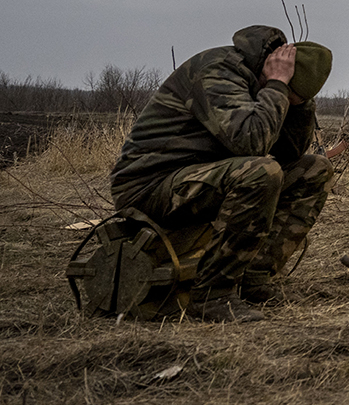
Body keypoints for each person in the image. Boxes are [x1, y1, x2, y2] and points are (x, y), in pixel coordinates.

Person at [108, 27, 335, 322]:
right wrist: (278, 86)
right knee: (259, 173)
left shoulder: (263, 82)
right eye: (287, 94)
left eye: (292, 98)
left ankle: (253, 278)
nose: (285, 99)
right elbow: (250, 142)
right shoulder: (219, 71)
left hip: (196, 178)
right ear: (271, 67)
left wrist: (299, 105)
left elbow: (290, 153)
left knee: (314, 170)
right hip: (150, 186)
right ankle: (212, 295)